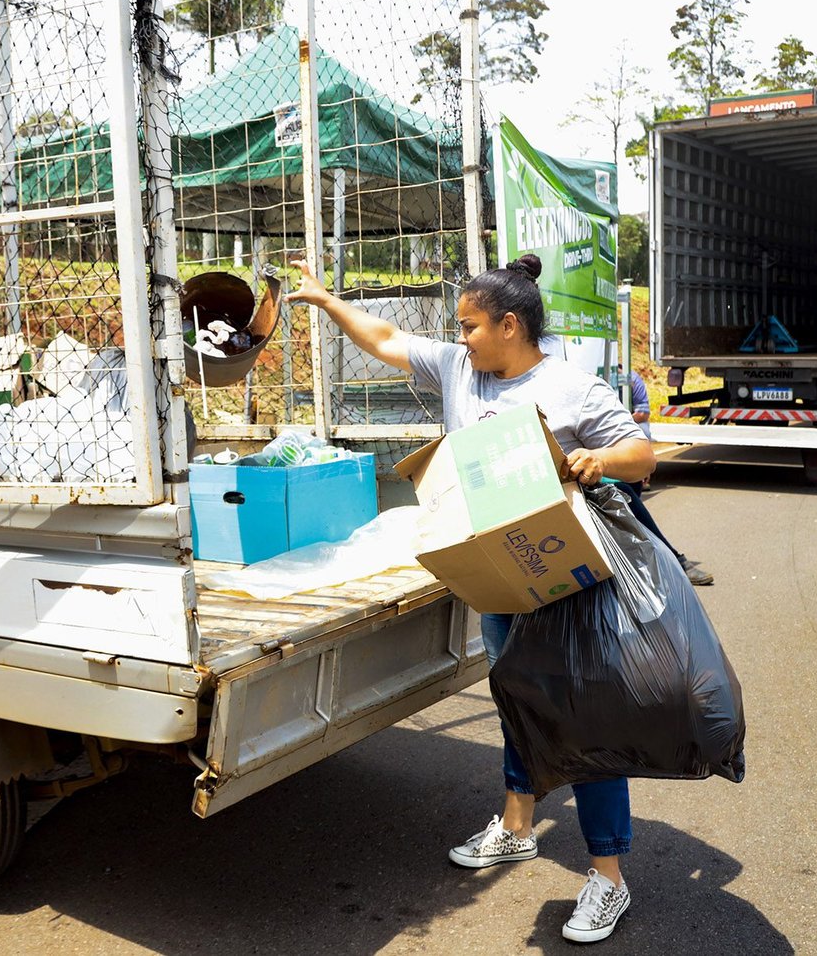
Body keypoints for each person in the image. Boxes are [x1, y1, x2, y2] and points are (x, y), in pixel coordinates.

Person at [288, 252, 651, 944]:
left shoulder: (571, 389)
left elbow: (642, 452)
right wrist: (329, 303)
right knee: (513, 698)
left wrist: (599, 460)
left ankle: (609, 877)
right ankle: (518, 827)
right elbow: (390, 342)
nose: (460, 339)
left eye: (470, 327)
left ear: (509, 326)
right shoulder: (462, 370)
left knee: (585, 728)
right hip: (497, 579)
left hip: (565, 593)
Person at [538, 338, 714, 587]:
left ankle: (670, 562)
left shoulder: (627, 381)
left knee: (626, 493)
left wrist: (619, 439)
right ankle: (666, 562)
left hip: (623, 443)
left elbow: (642, 417)